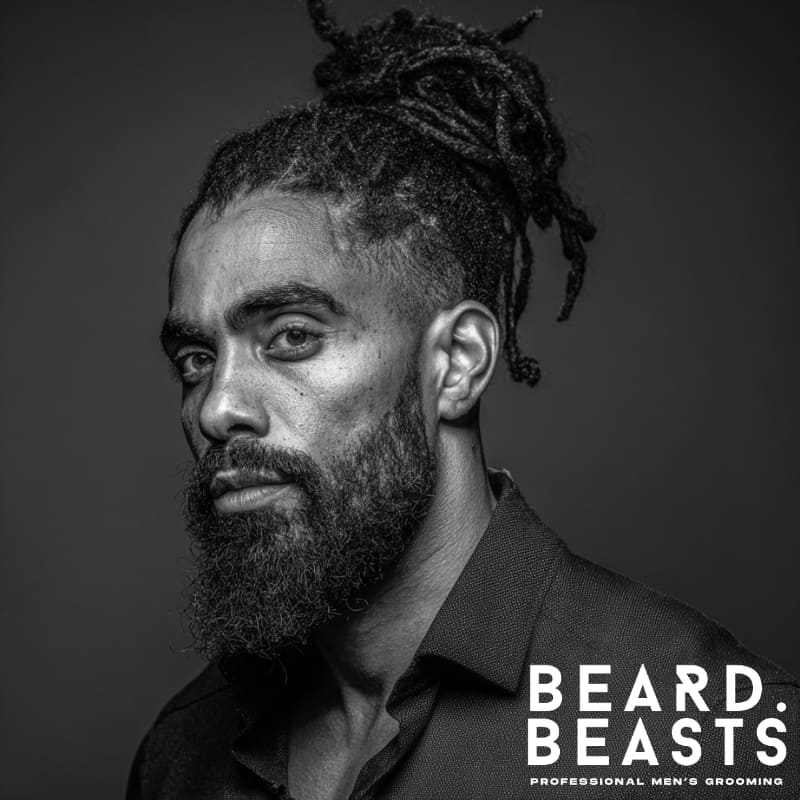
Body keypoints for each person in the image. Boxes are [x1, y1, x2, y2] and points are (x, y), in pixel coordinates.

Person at [128, 2, 798, 798]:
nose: (217, 409)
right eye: (197, 359)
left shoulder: (698, 732)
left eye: (293, 336)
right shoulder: (183, 752)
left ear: (457, 363)